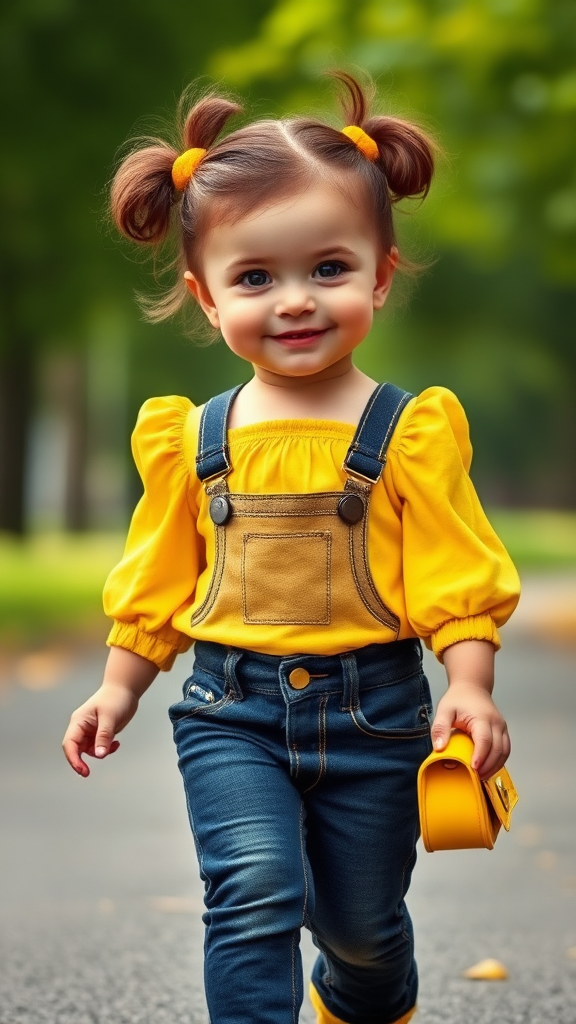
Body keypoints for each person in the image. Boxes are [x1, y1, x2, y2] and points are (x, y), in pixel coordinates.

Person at [63, 72, 520, 1024]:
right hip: (231, 709)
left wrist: (469, 685)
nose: (296, 302)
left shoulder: (407, 432)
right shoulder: (193, 440)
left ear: (380, 275)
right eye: (256, 278)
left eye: (329, 269)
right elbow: (156, 576)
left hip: (377, 714)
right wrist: (118, 684)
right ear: (205, 295)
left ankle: (362, 994)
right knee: (254, 891)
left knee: (361, 926)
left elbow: (451, 574)